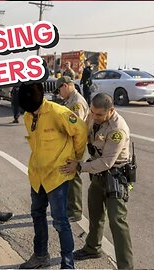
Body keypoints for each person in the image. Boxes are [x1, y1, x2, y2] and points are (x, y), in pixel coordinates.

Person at [59, 93, 134, 269]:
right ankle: (92, 248)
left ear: (111, 111)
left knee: (117, 221)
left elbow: (107, 162)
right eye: (92, 112)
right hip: (98, 176)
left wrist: (79, 166)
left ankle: (126, 266)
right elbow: (83, 133)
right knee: (95, 214)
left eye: (99, 114)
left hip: (115, 176)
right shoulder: (93, 117)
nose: (94, 116)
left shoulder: (117, 129)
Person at [17, 82, 87, 269]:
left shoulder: (58, 112)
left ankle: (67, 265)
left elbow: (80, 131)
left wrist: (76, 160)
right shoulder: (27, 116)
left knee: (60, 221)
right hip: (37, 175)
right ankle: (40, 256)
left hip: (57, 175)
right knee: (37, 215)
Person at [54, 76, 90, 222]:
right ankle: (70, 207)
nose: (59, 93)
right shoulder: (71, 100)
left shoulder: (76, 103)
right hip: (71, 144)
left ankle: (75, 211)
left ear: (66, 86)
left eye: (59, 90)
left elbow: (77, 128)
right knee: (68, 176)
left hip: (76, 145)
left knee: (73, 176)